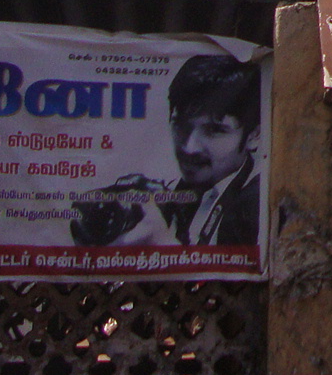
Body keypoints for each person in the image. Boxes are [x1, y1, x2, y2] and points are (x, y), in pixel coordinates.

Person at [68, 54, 262, 248]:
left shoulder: (259, 204)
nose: (189, 147)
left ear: (254, 136)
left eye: (214, 130)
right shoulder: (171, 195)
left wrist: (161, 244)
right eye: (180, 125)